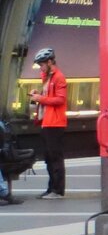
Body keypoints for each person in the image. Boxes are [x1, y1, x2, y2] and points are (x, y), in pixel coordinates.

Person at [28, 48, 66, 199]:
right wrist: (38, 94)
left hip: (55, 124)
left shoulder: (59, 78)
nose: (41, 67)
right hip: (46, 122)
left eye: (42, 64)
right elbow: (48, 97)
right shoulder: (46, 78)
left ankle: (58, 190)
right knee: (48, 157)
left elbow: (60, 100)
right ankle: (51, 188)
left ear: (50, 62)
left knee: (55, 157)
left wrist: (40, 99)